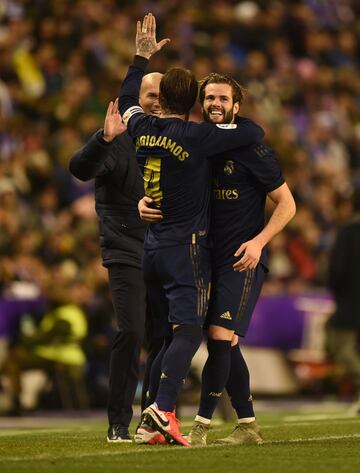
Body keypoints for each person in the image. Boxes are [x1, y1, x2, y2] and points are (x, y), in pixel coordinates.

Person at [118, 13, 264, 446]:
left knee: (162, 335)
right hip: (186, 249)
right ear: (195, 104)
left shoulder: (141, 127)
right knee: (187, 332)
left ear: (159, 99)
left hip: (151, 248)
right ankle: (162, 410)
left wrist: (139, 58)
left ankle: (147, 421)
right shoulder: (199, 137)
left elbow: (127, 97)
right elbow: (253, 130)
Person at [138, 72, 296, 446]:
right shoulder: (197, 143)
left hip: (241, 258)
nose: (215, 105)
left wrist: (259, 242)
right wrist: (143, 201)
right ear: (200, 103)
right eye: (209, 98)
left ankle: (201, 427)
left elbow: (287, 204)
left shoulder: (251, 149)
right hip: (202, 256)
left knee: (219, 337)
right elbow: (164, 179)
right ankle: (246, 424)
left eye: (223, 99)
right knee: (222, 343)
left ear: (236, 106)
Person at [69, 72, 163, 442]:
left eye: (161, 94)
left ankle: (155, 418)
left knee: (163, 336)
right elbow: (80, 169)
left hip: (162, 251)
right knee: (132, 331)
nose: (156, 100)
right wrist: (104, 138)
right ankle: (118, 422)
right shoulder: (118, 138)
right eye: (149, 94)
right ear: (135, 99)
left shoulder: (167, 140)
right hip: (125, 251)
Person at [326, 187, 360, 415]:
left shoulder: (348, 232)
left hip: (350, 302)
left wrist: (334, 289)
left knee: (340, 348)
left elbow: (336, 270)